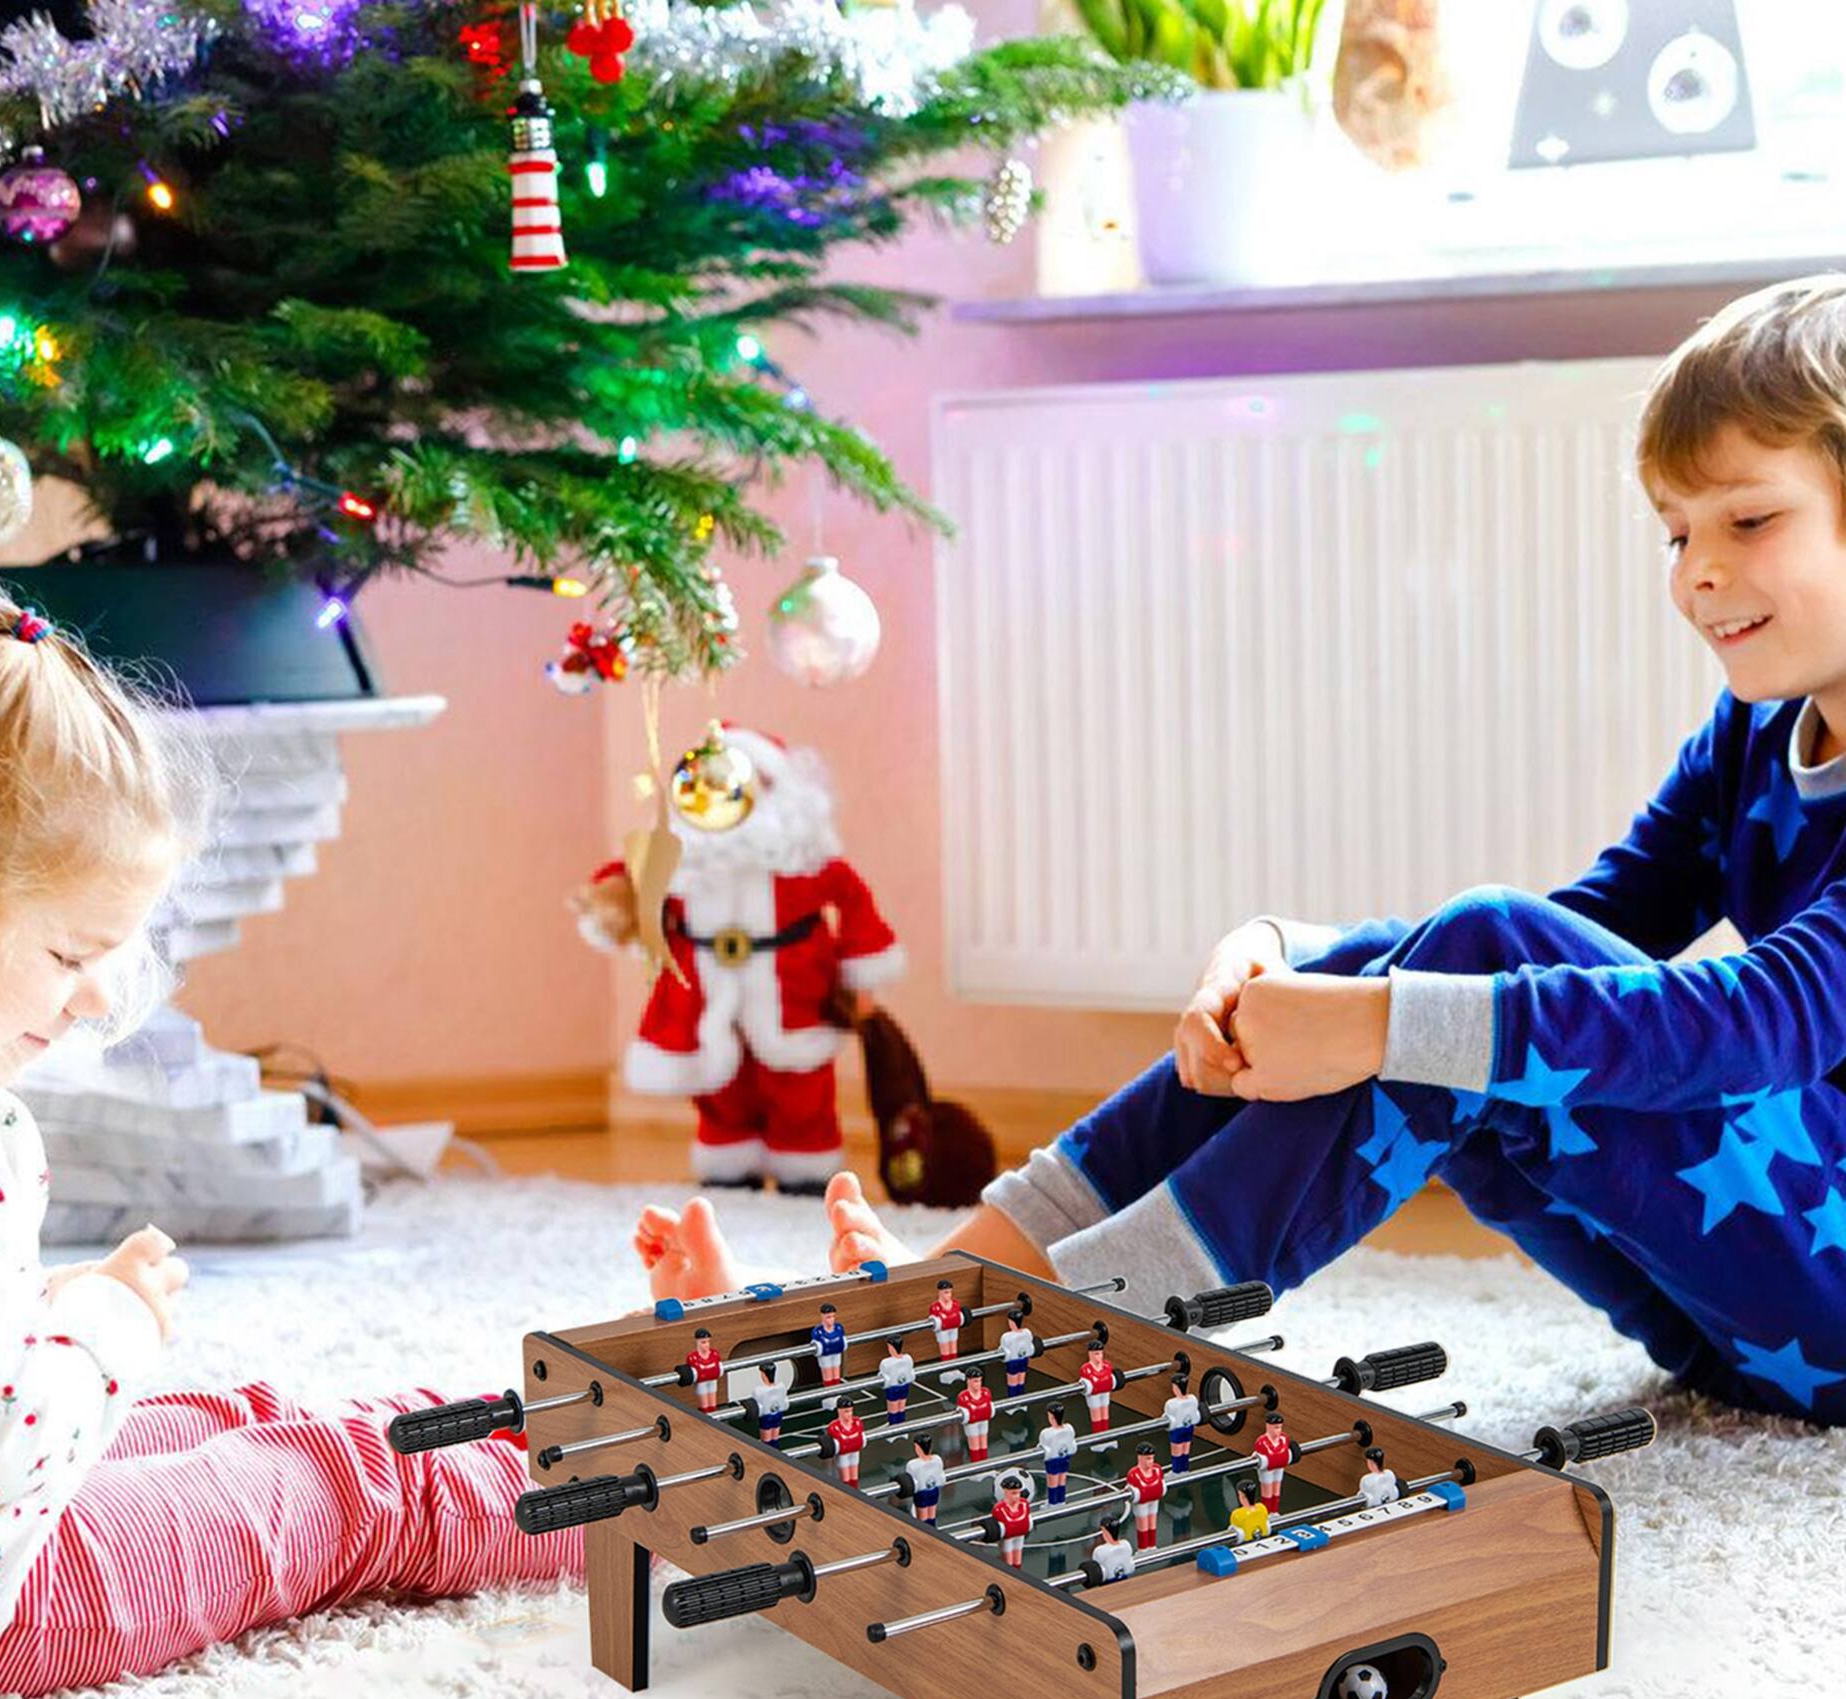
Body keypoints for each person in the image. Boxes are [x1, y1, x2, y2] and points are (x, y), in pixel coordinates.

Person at [633, 275, 1846, 1428]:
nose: (1694, 571)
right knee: (1468, 981)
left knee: (1465, 982)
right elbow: (1595, 931)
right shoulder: (1750, 732)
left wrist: (1373, 1023)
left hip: (1826, 1310)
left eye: (1746, 519)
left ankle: (1029, 1344)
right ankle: (930, 1299)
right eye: (1673, 531)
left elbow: (1755, 1020)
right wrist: (1286, 960)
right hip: (1729, 1317)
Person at [0, 592, 577, 1699]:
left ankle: (513, 1429)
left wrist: (44, 1311)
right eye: (67, 950)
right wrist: (106, 1321)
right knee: (348, 1490)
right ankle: (623, 1484)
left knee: (234, 1418)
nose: (95, 995)